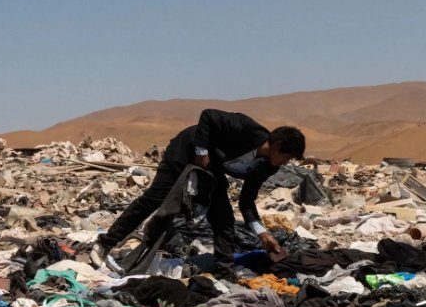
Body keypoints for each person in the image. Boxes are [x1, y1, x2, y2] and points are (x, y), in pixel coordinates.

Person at [90, 109, 306, 275]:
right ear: (276, 145)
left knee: (223, 217)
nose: (286, 163)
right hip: (186, 152)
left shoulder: (267, 166)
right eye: (287, 157)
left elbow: (247, 201)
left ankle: (224, 271)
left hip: (212, 169)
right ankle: (105, 243)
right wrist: (201, 153)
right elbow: (208, 116)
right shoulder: (245, 127)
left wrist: (263, 234)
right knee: (154, 199)